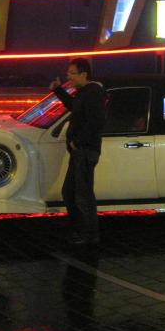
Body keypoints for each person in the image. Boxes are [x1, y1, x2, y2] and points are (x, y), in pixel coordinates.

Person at [49, 58, 106, 245]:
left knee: (83, 195)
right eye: (68, 73)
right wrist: (58, 90)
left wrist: (78, 142)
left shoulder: (93, 93)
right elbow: (74, 106)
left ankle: (89, 235)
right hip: (79, 150)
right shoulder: (84, 92)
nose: (69, 76)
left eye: (72, 73)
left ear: (84, 74)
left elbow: (95, 122)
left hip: (85, 150)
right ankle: (78, 230)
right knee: (69, 192)